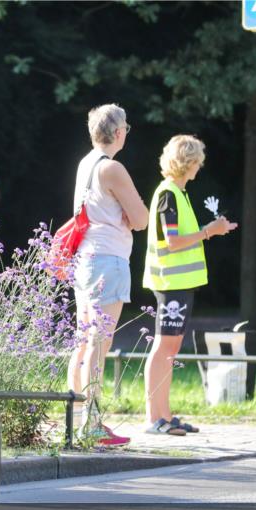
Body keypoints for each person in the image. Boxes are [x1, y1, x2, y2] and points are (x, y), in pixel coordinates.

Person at [143, 135, 237, 435]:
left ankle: (165, 416)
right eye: (197, 161)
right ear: (188, 162)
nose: (200, 166)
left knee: (169, 349)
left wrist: (212, 230)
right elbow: (172, 242)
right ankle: (155, 419)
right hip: (171, 283)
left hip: (180, 284)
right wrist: (209, 231)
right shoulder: (169, 194)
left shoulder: (177, 194)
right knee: (163, 348)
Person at [67, 104, 149, 446]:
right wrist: (132, 214)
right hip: (108, 260)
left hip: (85, 258)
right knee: (100, 344)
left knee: (84, 342)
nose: (127, 132)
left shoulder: (86, 163)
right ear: (118, 133)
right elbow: (142, 218)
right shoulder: (113, 168)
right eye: (126, 127)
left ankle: (73, 418)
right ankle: (93, 423)